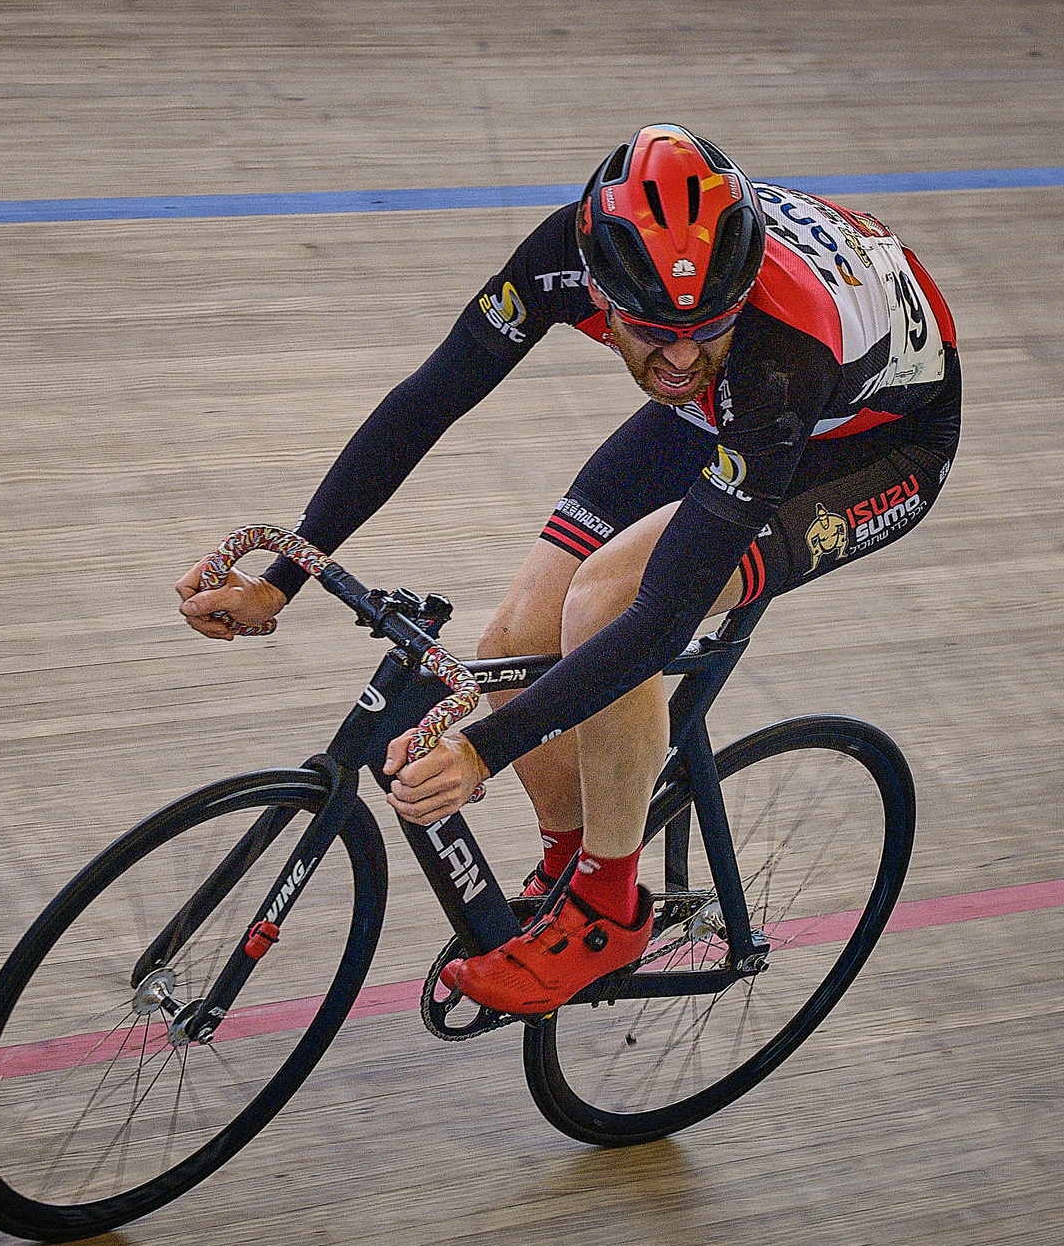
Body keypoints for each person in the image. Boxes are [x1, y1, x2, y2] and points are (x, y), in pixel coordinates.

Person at [176, 125, 960, 1016]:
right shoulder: (567, 257)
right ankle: (569, 864)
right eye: (652, 333)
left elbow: (658, 620)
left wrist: (481, 752)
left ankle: (606, 913)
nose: (678, 357)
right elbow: (430, 400)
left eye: (705, 329)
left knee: (609, 606)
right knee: (514, 639)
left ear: (738, 295)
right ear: (599, 287)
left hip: (872, 442)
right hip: (730, 403)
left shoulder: (776, 354)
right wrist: (282, 577)